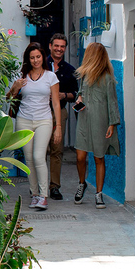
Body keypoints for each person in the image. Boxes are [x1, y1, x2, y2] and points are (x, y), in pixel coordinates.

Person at [7, 42, 63, 210]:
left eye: (38, 57)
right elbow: (8, 99)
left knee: (39, 157)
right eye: (32, 58)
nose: (35, 60)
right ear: (28, 59)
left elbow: (56, 103)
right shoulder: (21, 76)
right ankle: (35, 193)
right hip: (24, 120)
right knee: (29, 159)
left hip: (44, 121)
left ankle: (44, 196)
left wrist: (58, 126)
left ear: (42, 57)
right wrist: (15, 88)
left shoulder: (50, 77)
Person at [72, 42, 120, 208]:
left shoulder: (107, 78)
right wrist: (79, 99)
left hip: (101, 121)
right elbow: (80, 93)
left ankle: (99, 194)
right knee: (80, 156)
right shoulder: (84, 75)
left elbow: (112, 102)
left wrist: (112, 124)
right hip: (84, 120)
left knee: (99, 157)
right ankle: (81, 183)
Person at [46, 33, 78, 200]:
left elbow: (76, 93)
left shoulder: (70, 70)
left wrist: (63, 95)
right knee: (39, 149)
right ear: (50, 46)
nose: (59, 49)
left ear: (65, 49)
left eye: (62, 46)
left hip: (61, 113)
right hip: (41, 111)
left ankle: (54, 186)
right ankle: (39, 185)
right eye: (56, 46)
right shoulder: (40, 64)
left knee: (57, 150)